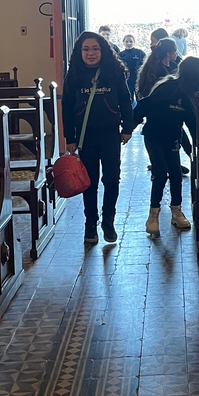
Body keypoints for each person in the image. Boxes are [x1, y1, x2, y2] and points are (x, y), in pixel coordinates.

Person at [134, 56, 199, 236]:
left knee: (175, 174)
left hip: (173, 137)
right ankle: (153, 215)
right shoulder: (168, 88)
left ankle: (177, 211)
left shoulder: (189, 95)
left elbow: (191, 124)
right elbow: (144, 106)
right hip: (153, 135)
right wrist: (128, 128)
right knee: (160, 172)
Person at [62, 31, 133, 245]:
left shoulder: (114, 73)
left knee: (111, 179)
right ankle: (90, 223)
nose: (90, 53)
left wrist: (127, 128)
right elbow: (67, 107)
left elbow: (126, 101)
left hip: (110, 135)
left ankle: (108, 220)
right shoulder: (73, 75)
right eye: (86, 49)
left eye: (95, 49)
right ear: (79, 52)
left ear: (103, 50)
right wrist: (69, 137)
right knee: (89, 182)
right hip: (85, 137)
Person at [119, 34, 147, 100]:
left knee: (140, 98)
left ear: (134, 42)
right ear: (123, 42)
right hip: (127, 80)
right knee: (128, 98)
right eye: (126, 41)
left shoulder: (140, 53)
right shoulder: (120, 55)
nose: (129, 43)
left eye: (131, 41)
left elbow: (146, 66)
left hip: (138, 79)